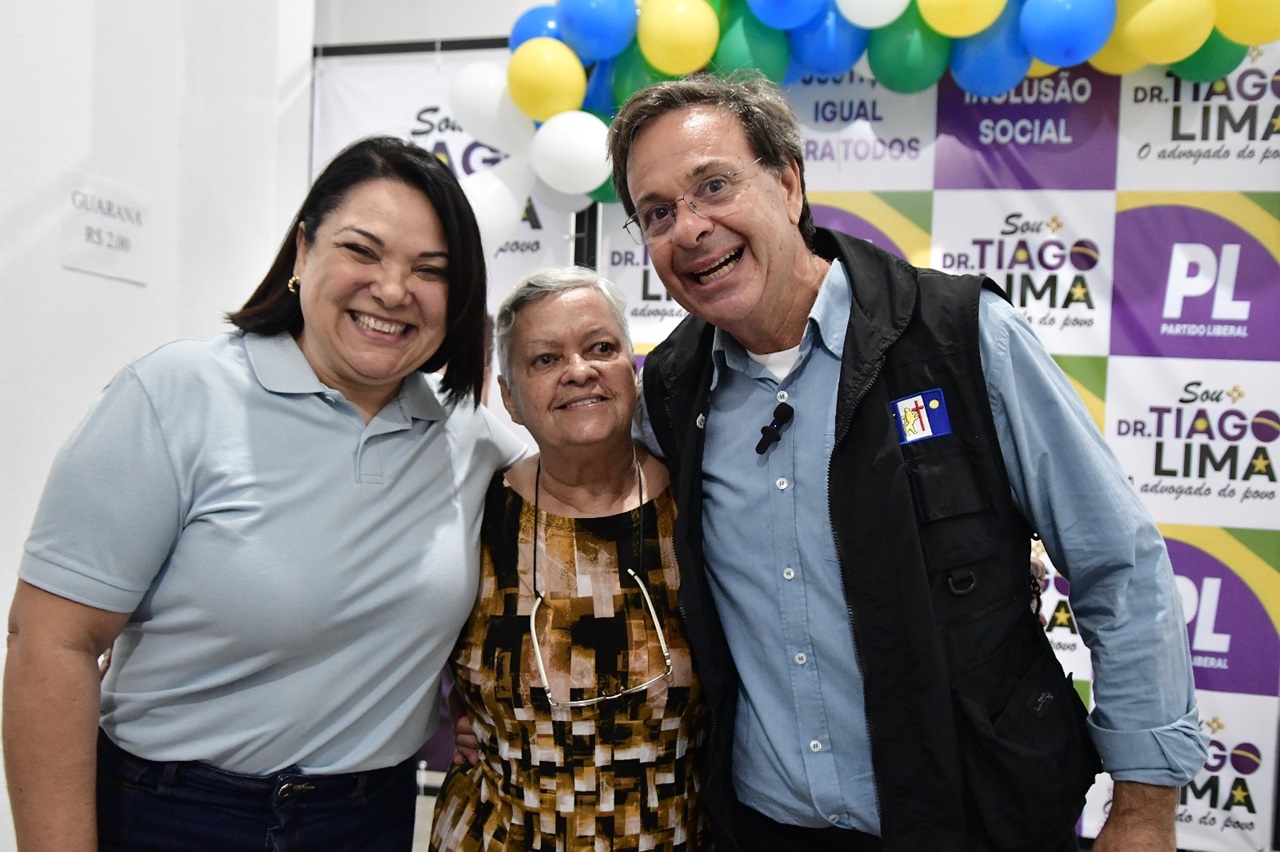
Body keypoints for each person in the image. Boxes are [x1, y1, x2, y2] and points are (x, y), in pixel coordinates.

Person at [606, 73, 1208, 852]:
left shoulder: (962, 336)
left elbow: (1118, 565)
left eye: (713, 185)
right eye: (657, 213)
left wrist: (1144, 807)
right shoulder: (671, 388)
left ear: (788, 183)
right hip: (767, 827)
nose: (688, 228)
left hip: (978, 818)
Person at [3, 136, 528, 851]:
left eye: (430, 271)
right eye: (363, 251)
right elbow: (52, 644)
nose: (394, 289)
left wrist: (482, 705)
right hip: (175, 817)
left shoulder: (476, 443)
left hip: (368, 821)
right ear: (303, 251)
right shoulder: (177, 395)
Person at [429, 268, 710, 851]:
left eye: (600, 348)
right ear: (509, 397)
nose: (579, 370)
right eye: (545, 359)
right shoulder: (472, 516)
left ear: (632, 369)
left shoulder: (702, 509)